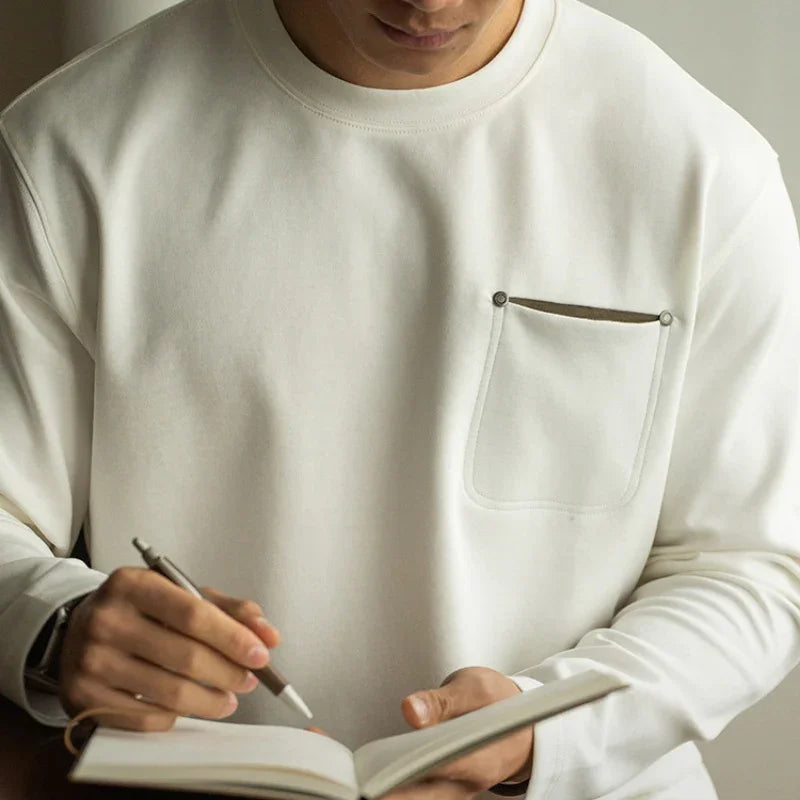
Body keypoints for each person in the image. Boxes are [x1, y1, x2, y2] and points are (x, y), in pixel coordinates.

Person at [1, 0, 798, 798]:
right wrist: (56, 627)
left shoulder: (704, 167)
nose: (432, 3)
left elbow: (756, 565)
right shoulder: (70, 146)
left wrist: (543, 732)